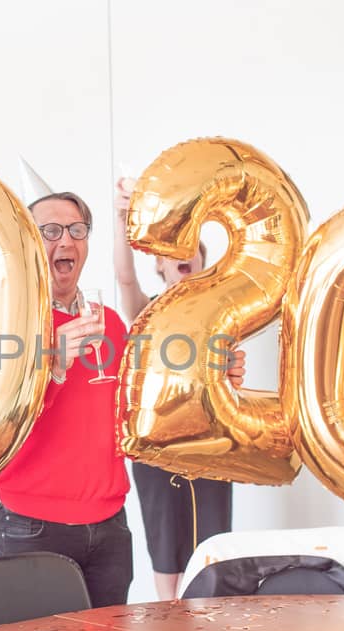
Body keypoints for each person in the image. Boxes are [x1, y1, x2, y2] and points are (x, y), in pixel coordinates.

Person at [0, 180, 245, 608]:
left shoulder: (108, 322)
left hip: (110, 528)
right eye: (51, 231)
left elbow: (137, 405)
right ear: (28, 243)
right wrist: (51, 365)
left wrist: (218, 381)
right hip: (33, 527)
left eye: (77, 230)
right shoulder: (7, 320)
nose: (66, 240)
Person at [109, 177, 232, 602]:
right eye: (171, 252)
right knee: (165, 544)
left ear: (201, 261)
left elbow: (228, 384)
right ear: (159, 266)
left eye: (191, 247)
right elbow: (123, 278)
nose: (183, 254)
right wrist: (123, 217)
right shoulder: (145, 311)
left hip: (209, 446)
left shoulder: (220, 317)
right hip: (156, 449)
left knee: (212, 545)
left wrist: (232, 376)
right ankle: (170, 621)